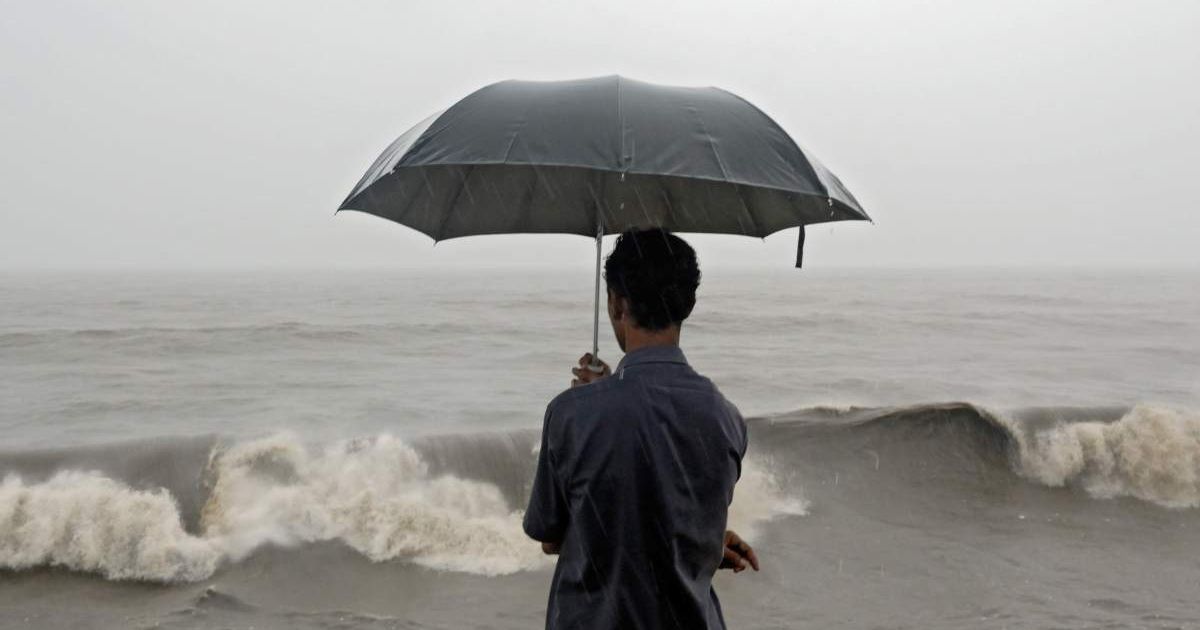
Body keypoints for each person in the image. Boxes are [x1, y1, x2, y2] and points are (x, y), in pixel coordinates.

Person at [523, 228, 758, 630]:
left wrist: (600, 400)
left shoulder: (570, 414)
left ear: (616, 303)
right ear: (689, 303)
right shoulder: (726, 419)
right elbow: (670, 515)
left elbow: (553, 537)